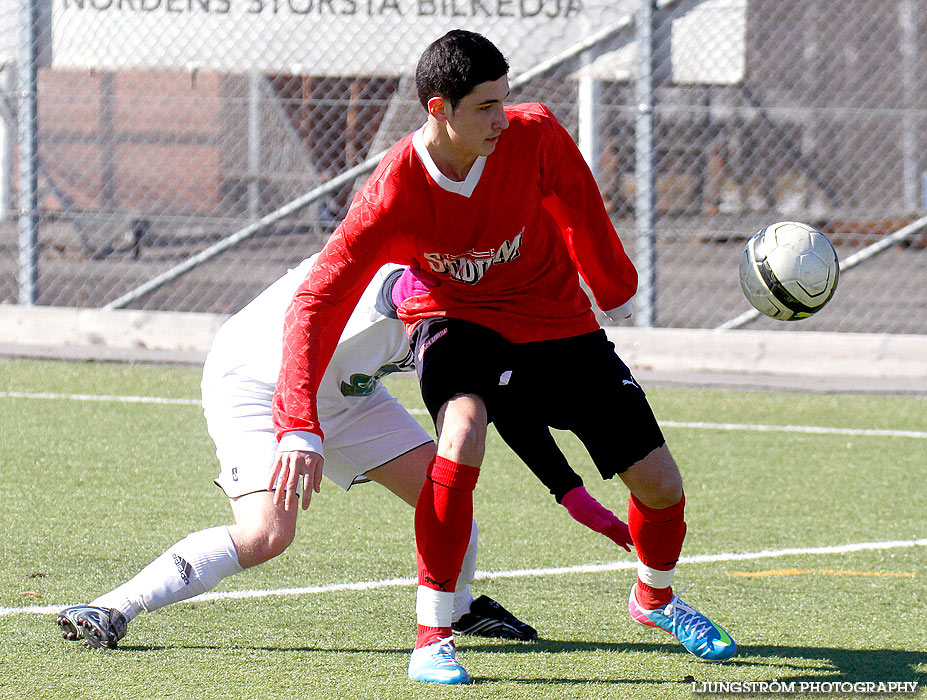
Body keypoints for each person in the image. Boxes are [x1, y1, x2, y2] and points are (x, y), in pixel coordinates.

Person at [271, 30, 736, 686]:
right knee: (459, 429)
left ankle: (653, 600)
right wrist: (298, 422)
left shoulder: (534, 133)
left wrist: (610, 282)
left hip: (555, 319)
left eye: (504, 100)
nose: (502, 117)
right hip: (451, 318)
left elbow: (578, 202)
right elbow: (316, 301)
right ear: (439, 109)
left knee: (660, 485)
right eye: (485, 107)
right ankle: (431, 636)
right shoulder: (393, 192)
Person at [55, 256, 538, 649]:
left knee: (448, 496)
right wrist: (300, 432)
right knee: (266, 534)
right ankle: (115, 606)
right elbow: (372, 301)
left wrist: (569, 489)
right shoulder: (403, 282)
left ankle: (458, 607)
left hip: (345, 390)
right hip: (259, 378)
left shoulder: (494, 291)